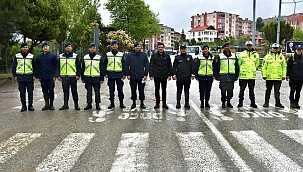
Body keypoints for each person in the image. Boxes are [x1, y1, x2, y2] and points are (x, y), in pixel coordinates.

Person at [214, 42, 239, 108]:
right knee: (223, 90)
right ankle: (223, 102)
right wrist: (216, 75)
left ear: (229, 47)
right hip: (223, 76)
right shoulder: (220, 56)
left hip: (231, 76)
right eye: (225, 46)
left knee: (230, 90)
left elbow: (236, 66)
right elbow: (217, 66)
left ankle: (228, 102)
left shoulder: (234, 56)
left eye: (228, 46)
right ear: (223, 48)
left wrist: (237, 75)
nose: (227, 47)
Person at [57, 42, 81, 110]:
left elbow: (78, 66)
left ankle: (76, 105)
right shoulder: (61, 56)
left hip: (73, 77)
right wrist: (58, 75)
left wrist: (78, 75)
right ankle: (65, 105)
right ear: (65, 48)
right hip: (64, 77)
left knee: (74, 91)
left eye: (69, 46)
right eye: (67, 46)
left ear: (71, 48)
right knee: (65, 91)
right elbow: (58, 66)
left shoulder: (75, 56)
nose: (68, 47)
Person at [125, 42, 149, 109]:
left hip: (141, 76)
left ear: (140, 47)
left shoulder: (143, 55)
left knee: (141, 90)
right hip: (132, 75)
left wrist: (145, 74)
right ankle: (134, 103)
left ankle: (142, 103)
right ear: (134, 47)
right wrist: (128, 74)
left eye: (138, 46)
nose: (137, 47)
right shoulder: (129, 55)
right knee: (133, 90)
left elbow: (147, 65)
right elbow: (126, 65)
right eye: (136, 46)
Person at [12, 42, 35, 112]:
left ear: (28, 48)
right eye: (23, 47)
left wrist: (34, 75)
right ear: (21, 48)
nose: (25, 48)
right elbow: (14, 66)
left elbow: (35, 66)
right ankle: (23, 106)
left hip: (29, 76)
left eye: (26, 47)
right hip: (20, 76)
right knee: (22, 92)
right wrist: (14, 75)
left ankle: (30, 105)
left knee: (30, 92)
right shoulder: (17, 56)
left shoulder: (31, 56)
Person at [262, 43, 286, 108]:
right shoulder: (267, 57)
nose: (275, 49)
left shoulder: (281, 57)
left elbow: (284, 66)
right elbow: (264, 66)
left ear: (278, 49)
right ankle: (266, 102)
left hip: (278, 77)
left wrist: (284, 75)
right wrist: (264, 75)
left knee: (277, 91)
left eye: (276, 48)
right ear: (271, 48)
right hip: (269, 77)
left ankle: (278, 103)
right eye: (274, 48)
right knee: (268, 90)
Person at [81, 43, 104, 110]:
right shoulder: (85, 57)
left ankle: (97, 104)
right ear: (89, 49)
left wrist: (102, 78)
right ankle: (89, 104)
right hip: (87, 77)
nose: (92, 49)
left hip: (96, 77)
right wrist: (82, 77)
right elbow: (83, 68)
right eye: (91, 48)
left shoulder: (99, 58)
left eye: (94, 48)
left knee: (97, 91)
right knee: (89, 92)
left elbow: (101, 69)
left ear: (95, 49)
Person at [104, 40, 126, 109]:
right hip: (110, 74)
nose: (114, 46)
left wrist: (124, 73)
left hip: (119, 74)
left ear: (117, 46)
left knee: (120, 89)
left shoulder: (121, 54)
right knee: (111, 90)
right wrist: (105, 73)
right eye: (113, 45)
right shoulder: (108, 54)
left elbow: (124, 65)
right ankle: (112, 103)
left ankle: (121, 103)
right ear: (111, 46)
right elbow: (104, 64)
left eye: (115, 45)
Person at [149, 42, 172, 109]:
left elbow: (170, 66)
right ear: (157, 48)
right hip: (157, 75)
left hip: (164, 75)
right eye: (159, 47)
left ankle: (164, 103)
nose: (160, 48)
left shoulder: (167, 56)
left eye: (162, 47)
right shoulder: (154, 56)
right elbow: (151, 66)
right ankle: (157, 103)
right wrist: (151, 74)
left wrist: (169, 74)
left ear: (163, 48)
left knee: (164, 90)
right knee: (157, 90)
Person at [35, 42, 57, 110]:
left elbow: (56, 66)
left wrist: (55, 76)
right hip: (42, 77)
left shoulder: (53, 56)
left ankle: (51, 104)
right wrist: (38, 76)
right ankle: (46, 104)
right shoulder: (39, 57)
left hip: (50, 77)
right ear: (42, 48)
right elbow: (36, 67)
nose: (45, 47)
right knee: (44, 91)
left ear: (49, 47)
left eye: (46, 46)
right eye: (44, 46)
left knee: (51, 91)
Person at [237, 41, 259, 108]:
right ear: (245, 46)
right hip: (243, 76)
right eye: (247, 45)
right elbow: (239, 64)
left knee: (251, 91)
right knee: (242, 90)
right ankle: (240, 102)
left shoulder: (256, 54)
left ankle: (253, 103)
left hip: (252, 76)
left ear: (252, 46)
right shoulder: (241, 54)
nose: (249, 47)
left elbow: (257, 64)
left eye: (250, 45)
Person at [173, 45, 195, 109]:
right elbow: (174, 67)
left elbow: (192, 66)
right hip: (179, 77)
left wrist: (192, 74)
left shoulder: (189, 57)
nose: (183, 50)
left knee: (187, 90)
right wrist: (174, 75)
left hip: (187, 77)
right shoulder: (177, 57)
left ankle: (187, 103)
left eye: (184, 49)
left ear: (186, 49)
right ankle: (178, 103)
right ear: (180, 50)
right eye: (182, 49)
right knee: (179, 90)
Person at [195, 44, 214, 108]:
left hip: (209, 76)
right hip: (201, 76)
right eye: (204, 49)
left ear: (208, 49)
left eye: (206, 49)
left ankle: (207, 102)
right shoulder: (199, 57)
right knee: (202, 90)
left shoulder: (212, 57)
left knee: (208, 90)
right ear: (202, 50)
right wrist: (196, 75)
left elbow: (214, 67)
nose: (205, 50)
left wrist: (214, 75)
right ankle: (202, 102)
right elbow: (196, 67)